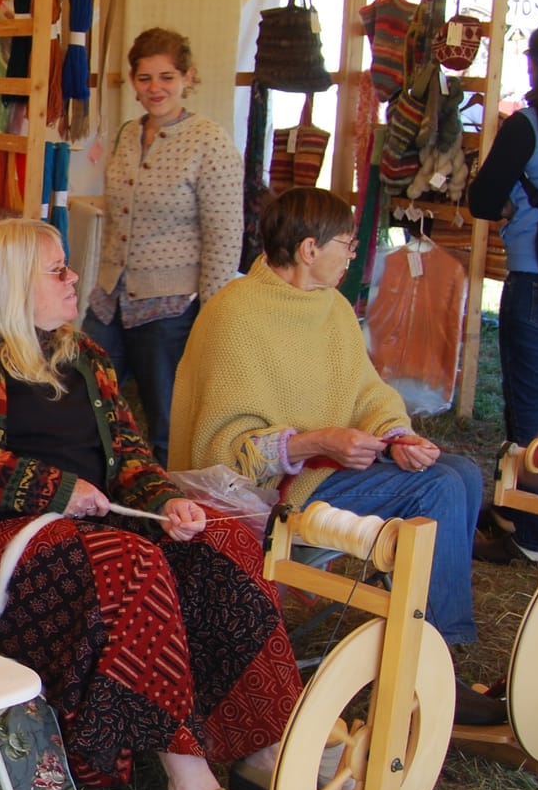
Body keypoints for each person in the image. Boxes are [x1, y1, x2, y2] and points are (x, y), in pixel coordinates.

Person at [0, 217, 302, 790]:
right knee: (130, 563)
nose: (73, 277)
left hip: (91, 525)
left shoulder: (80, 352)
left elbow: (132, 460)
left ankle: (262, 742)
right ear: (11, 282)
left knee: (223, 538)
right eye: (56, 268)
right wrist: (54, 490)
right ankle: (189, 784)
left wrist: (166, 501)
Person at [169, 187, 498, 723]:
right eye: (346, 244)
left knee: (460, 471)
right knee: (438, 488)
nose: (352, 256)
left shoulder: (333, 308)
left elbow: (365, 390)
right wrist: (317, 442)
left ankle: (434, 648)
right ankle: (433, 669)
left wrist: (397, 433)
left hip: (332, 469)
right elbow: (223, 454)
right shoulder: (235, 314)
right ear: (307, 249)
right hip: (273, 493)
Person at [84, 28, 242, 461]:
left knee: (169, 419)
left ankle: (175, 511)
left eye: (167, 77)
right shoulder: (127, 134)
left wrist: (210, 312)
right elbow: (117, 219)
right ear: (133, 81)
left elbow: (225, 234)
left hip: (171, 305)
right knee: (86, 396)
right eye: (146, 78)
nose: (156, 88)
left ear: (188, 77)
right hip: (111, 297)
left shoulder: (209, 141)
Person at [469, 20, 538, 563]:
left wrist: (509, 205)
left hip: (536, 281)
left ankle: (533, 538)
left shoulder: (528, 128)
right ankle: (526, 516)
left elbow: (483, 199)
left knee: (532, 415)